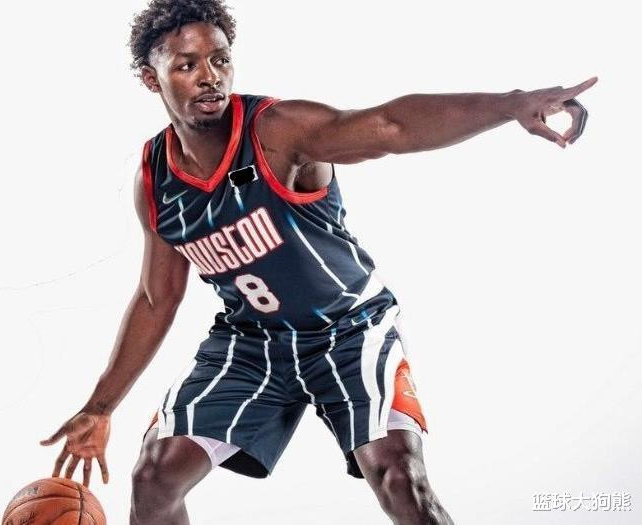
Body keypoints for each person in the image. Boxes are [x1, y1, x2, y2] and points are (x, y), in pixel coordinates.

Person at [39, 1, 596, 523]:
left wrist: (511, 104)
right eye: (187, 65)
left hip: (350, 329)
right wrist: (101, 407)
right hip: (252, 341)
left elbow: (391, 127)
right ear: (150, 78)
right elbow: (157, 297)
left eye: (220, 60)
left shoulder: (278, 131)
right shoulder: (155, 177)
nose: (210, 77)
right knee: (154, 478)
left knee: (402, 481)